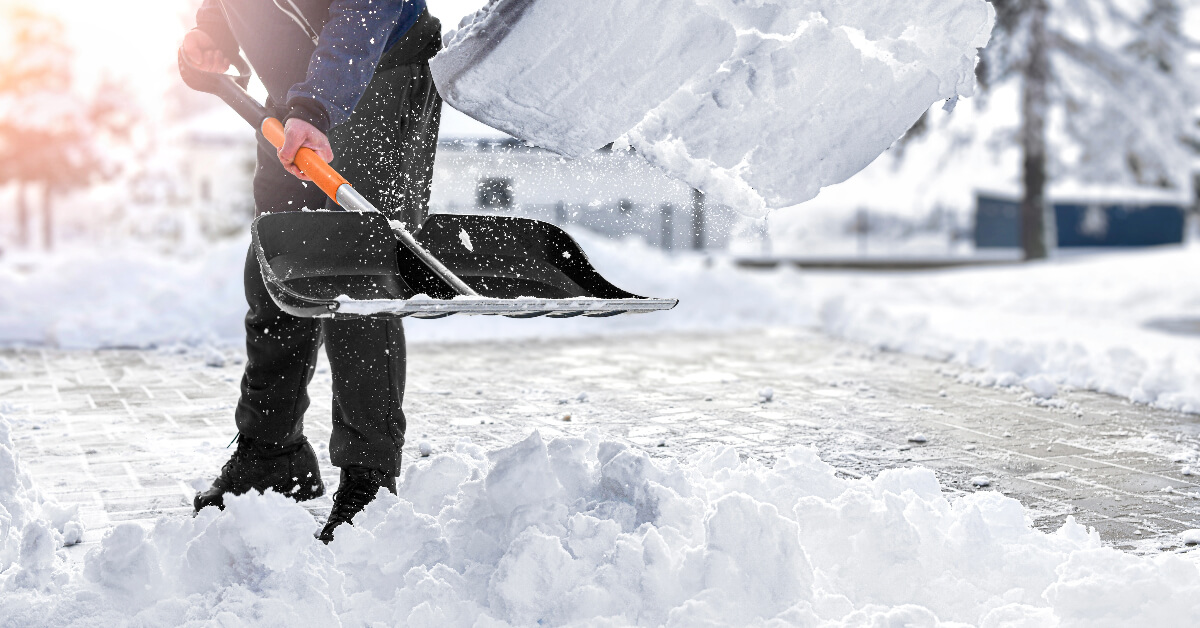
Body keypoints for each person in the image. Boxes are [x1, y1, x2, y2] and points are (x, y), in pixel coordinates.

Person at [181, 0, 442, 543]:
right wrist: (214, 35)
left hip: (376, 71)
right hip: (298, 93)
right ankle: (272, 454)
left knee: (354, 279)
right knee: (278, 265)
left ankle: (370, 482)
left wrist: (316, 106)